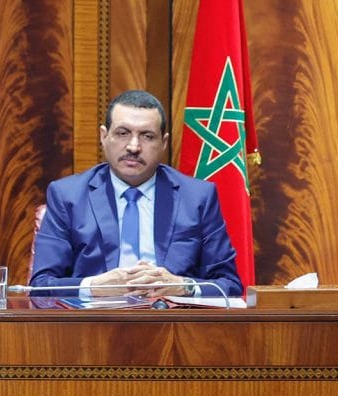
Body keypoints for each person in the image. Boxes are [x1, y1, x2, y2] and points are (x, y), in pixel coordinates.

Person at [29, 89, 241, 299]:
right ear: (104, 136)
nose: (133, 146)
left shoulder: (197, 197)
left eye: (147, 136)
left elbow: (229, 285)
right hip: (93, 326)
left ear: (163, 143)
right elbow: (41, 286)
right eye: (122, 133)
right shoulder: (68, 196)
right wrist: (95, 286)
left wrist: (182, 285)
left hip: (172, 325)